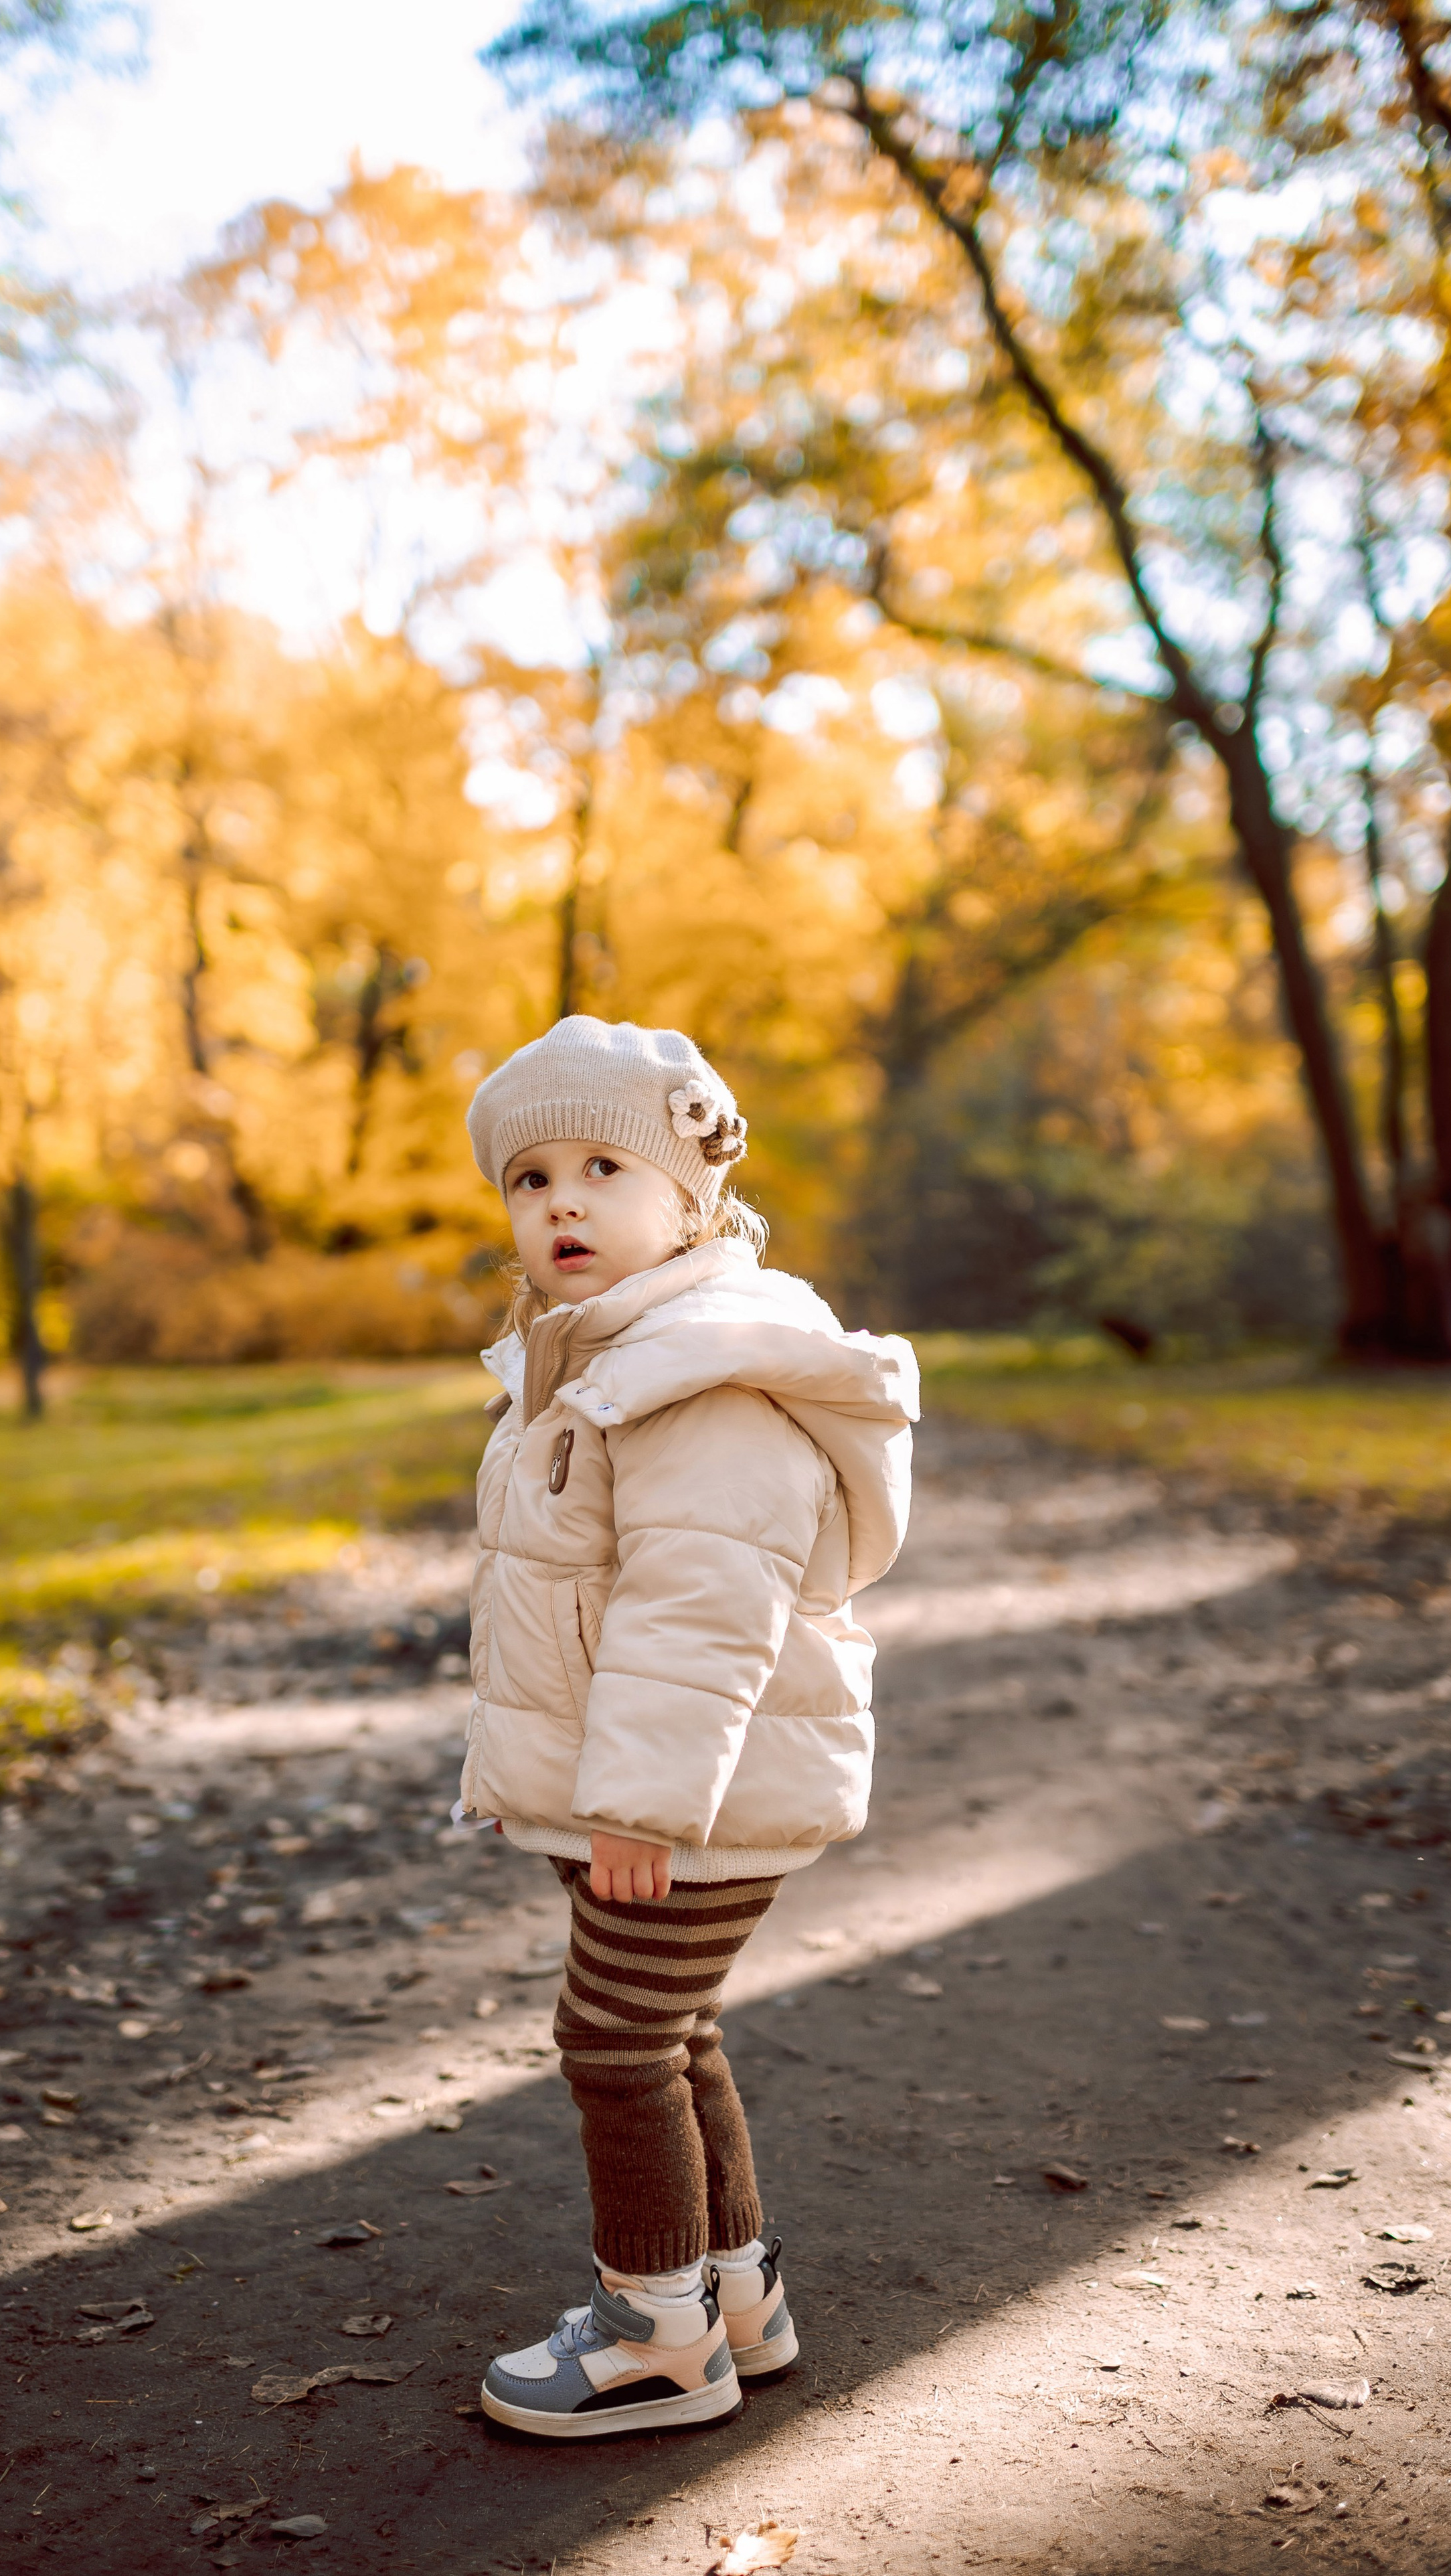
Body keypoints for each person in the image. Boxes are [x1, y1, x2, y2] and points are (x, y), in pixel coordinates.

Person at [459, 1018, 918, 2439]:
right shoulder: (607, 1350)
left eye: (604, 1164)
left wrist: (643, 1803)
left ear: (694, 1195)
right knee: (673, 2027)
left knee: (612, 2042)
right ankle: (734, 2295)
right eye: (530, 1178)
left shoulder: (700, 1372)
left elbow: (698, 1608)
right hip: (659, 1788)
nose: (564, 1202)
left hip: (686, 1794)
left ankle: (653, 2335)